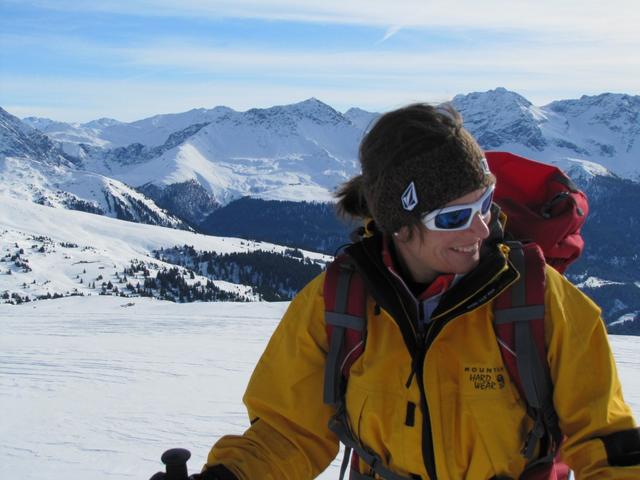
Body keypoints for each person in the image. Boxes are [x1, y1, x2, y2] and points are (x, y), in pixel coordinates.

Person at [196, 104, 640, 479]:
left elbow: (607, 440)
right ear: (400, 226)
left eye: (485, 204)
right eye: (454, 218)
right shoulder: (339, 302)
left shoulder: (537, 299)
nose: (481, 228)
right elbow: (287, 433)